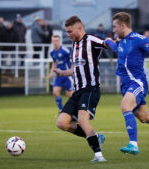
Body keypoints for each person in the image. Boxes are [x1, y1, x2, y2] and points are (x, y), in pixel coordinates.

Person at [104, 12, 149, 155]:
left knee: (124, 106)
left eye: (115, 27)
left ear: (122, 26)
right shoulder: (122, 40)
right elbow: (117, 48)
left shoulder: (139, 39)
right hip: (126, 85)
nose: (113, 30)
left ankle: (133, 145)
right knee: (144, 117)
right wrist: (108, 41)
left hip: (137, 83)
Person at [53, 15, 107, 163]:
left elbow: (108, 44)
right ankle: (96, 138)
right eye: (67, 32)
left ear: (79, 28)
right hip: (78, 92)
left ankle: (98, 155)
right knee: (61, 123)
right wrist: (63, 73)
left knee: (83, 120)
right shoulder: (74, 46)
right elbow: (75, 69)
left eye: (70, 31)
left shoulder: (91, 40)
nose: (68, 35)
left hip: (91, 89)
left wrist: (123, 43)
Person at [49, 35, 73, 112]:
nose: (55, 42)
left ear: (59, 41)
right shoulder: (52, 52)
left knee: (69, 94)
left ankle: (76, 109)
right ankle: (61, 110)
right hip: (59, 76)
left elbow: (73, 60)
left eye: (57, 41)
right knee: (55, 92)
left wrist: (72, 71)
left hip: (67, 75)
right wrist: (51, 72)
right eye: (54, 41)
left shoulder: (65, 50)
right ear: (52, 42)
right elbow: (54, 62)